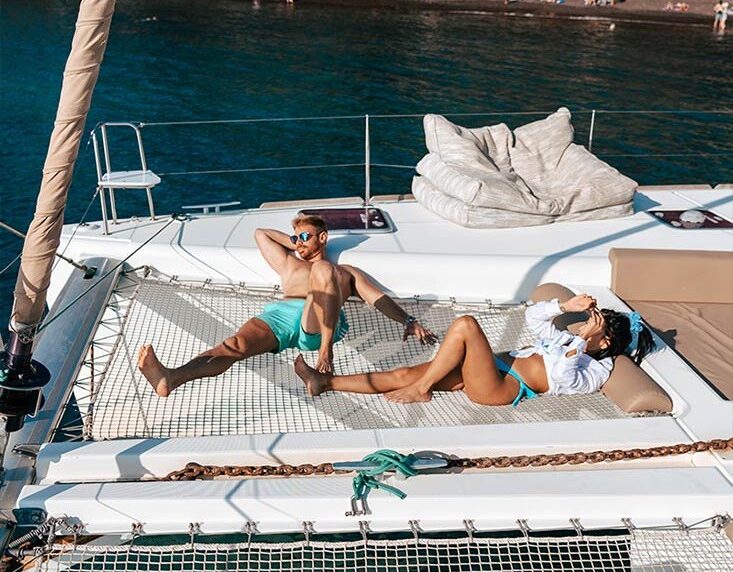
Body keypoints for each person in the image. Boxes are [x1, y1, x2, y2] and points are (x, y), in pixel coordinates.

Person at [137, 214, 436, 396]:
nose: (299, 241)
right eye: (296, 237)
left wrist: (408, 320)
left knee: (323, 271)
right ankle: (170, 378)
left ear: (323, 237)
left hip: (318, 322)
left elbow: (377, 298)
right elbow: (260, 234)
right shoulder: (289, 264)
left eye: (305, 236)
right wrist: (294, 243)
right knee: (233, 346)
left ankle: (325, 352)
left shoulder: (345, 273)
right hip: (281, 316)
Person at [294, 294, 654, 405]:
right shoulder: (567, 340)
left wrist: (582, 343)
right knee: (403, 374)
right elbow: (534, 318)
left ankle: (422, 389)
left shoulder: (597, 368)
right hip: (488, 368)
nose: (585, 325)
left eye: (596, 325)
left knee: (466, 324)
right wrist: (565, 307)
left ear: (606, 342)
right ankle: (324, 382)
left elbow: (561, 377)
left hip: (502, 387)